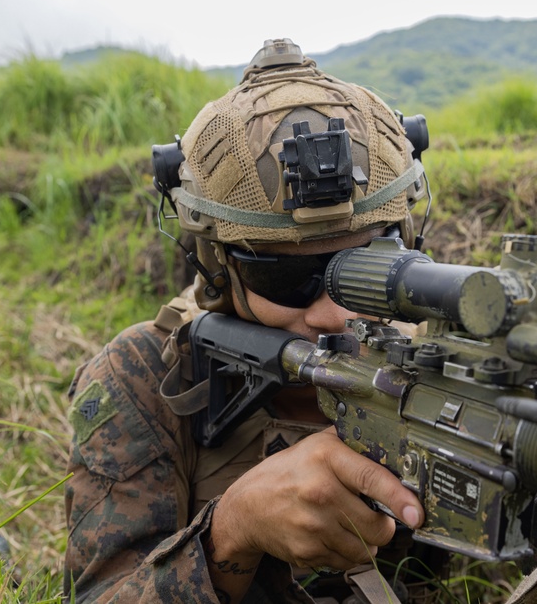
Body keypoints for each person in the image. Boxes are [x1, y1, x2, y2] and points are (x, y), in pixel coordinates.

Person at [63, 38, 440, 603]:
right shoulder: (143, 378)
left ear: (405, 242)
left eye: (366, 268)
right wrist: (232, 532)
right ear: (219, 266)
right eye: (288, 280)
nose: (333, 314)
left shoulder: (435, 362)